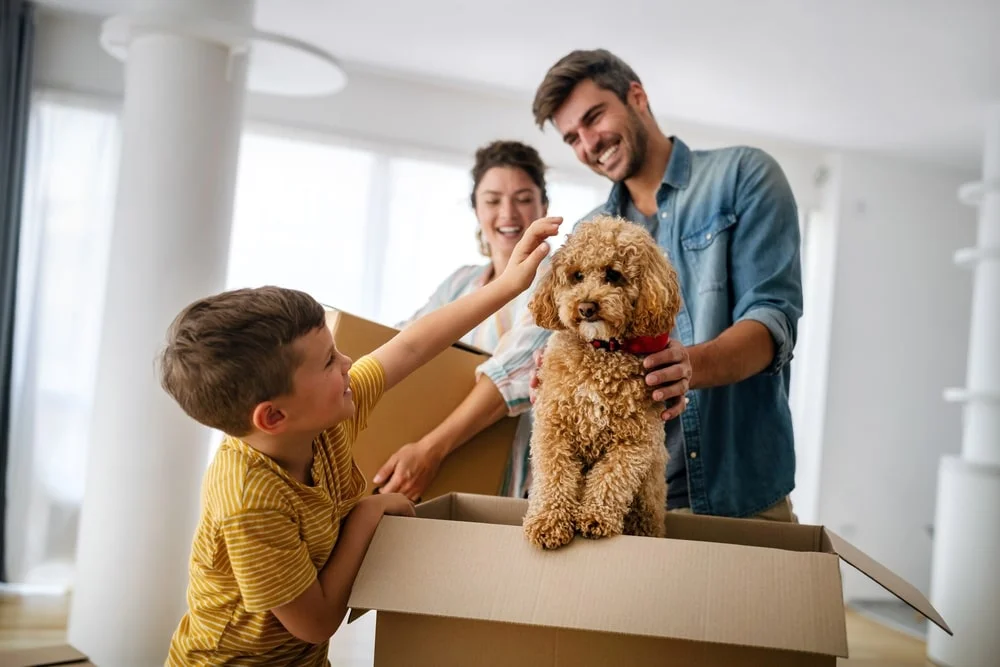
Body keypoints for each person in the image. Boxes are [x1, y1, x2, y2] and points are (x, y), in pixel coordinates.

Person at [158, 216, 561, 666]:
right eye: (329, 361)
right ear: (273, 416)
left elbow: (409, 347)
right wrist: (368, 514)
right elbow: (315, 622)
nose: (348, 361)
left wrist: (507, 286)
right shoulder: (250, 501)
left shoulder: (321, 421)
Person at [528, 48, 803, 520]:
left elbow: (772, 320)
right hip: (622, 502)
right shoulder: (591, 230)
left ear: (637, 96)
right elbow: (570, 332)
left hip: (741, 492)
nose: (589, 143)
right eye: (572, 137)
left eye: (594, 118)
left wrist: (687, 367)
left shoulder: (743, 177)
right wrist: (553, 371)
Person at [373, 140, 552, 501]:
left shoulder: (556, 281)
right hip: (451, 475)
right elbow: (404, 340)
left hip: (521, 483)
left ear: (543, 205)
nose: (508, 213)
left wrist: (430, 450)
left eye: (522, 198)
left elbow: (512, 373)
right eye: (492, 200)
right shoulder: (460, 283)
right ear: (475, 208)